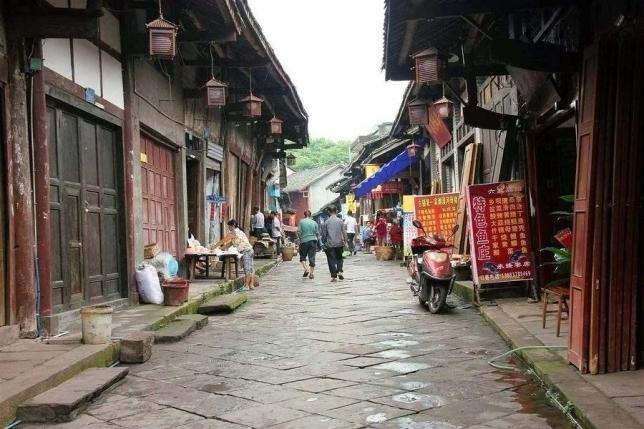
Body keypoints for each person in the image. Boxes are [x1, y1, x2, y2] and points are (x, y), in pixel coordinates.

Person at [223, 219, 256, 290]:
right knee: (251, 268)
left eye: (229, 226)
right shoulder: (240, 232)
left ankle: (246, 286)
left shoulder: (234, 232)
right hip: (250, 250)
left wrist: (216, 247)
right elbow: (231, 243)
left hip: (246, 251)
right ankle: (251, 285)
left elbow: (225, 242)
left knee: (247, 269)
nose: (229, 228)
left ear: (233, 226)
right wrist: (222, 248)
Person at [321, 205, 347, 282]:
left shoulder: (326, 222)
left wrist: (323, 241)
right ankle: (339, 271)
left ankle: (334, 276)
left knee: (331, 259)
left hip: (330, 244)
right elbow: (344, 232)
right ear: (336, 211)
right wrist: (345, 241)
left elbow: (324, 234)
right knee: (339, 258)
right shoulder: (340, 221)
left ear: (328, 212)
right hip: (339, 243)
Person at [297, 210, 319, 279]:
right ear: (310, 215)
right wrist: (316, 240)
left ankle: (306, 269)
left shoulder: (301, 222)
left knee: (302, 257)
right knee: (312, 257)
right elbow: (317, 233)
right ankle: (311, 273)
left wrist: (300, 239)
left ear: (304, 215)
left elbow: (298, 232)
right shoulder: (314, 222)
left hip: (304, 241)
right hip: (313, 240)